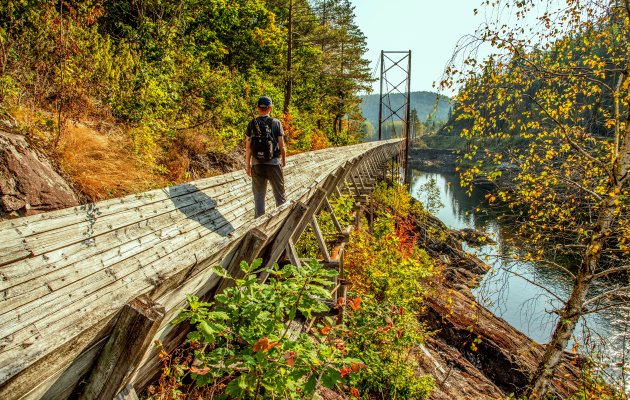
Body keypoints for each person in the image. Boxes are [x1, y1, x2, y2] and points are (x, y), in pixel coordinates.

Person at [245, 96, 287, 217]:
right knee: (280, 196)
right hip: (274, 163)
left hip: (257, 164)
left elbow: (248, 147)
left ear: (258, 108)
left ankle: (259, 224)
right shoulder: (276, 123)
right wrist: (283, 161)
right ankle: (282, 222)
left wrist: (248, 165)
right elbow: (282, 146)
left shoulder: (252, 123)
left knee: (259, 196)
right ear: (270, 108)